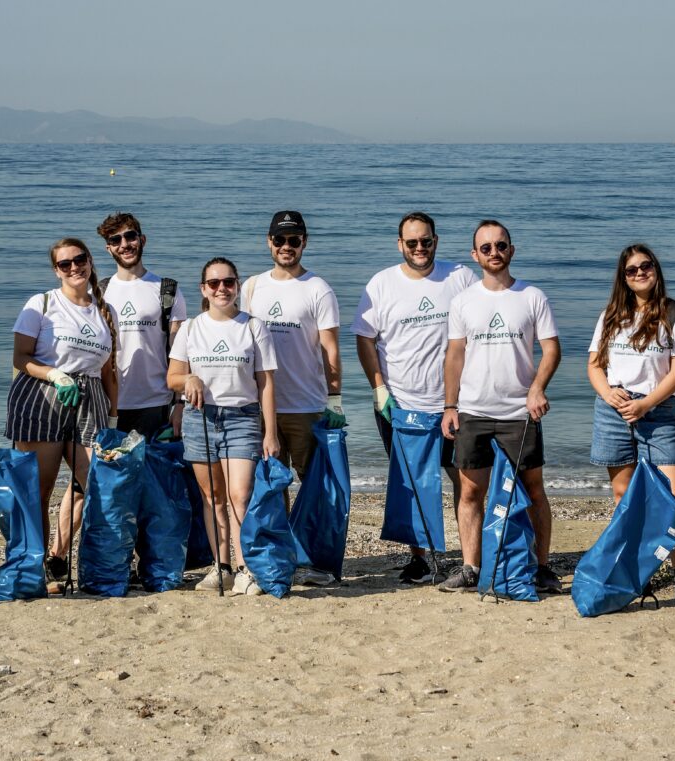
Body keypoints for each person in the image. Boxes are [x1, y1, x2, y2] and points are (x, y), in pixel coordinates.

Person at [353, 211, 477, 583]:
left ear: (436, 241)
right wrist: (378, 387)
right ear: (400, 245)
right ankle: (421, 557)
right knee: (413, 482)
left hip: (455, 404)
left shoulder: (460, 277)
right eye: (412, 243)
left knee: (464, 479)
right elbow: (364, 337)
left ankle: (471, 558)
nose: (419, 248)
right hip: (401, 404)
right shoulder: (381, 284)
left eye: (426, 241)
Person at [441, 220, 562, 593]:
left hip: (519, 414)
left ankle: (541, 566)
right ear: (475, 255)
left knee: (532, 490)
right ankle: (470, 567)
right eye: (486, 248)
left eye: (501, 245)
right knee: (470, 492)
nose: (494, 253)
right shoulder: (463, 300)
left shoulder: (532, 297)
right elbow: (455, 355)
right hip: (474, 411)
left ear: (511, 249)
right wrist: (450, 405)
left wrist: (537, 389)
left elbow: (552, 349)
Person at [587, 244, 675, 606]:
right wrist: (609, 394)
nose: (639, 273)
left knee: (674, 497)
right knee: (625, 498)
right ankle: (639, 575)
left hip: (658, 412)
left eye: (645, 266)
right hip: (614, 412)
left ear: (656, 269)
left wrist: (647, 404)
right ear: (623, 277)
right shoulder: (612, 313)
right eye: (631, 269)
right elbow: (594, 365)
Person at [4, 238, 118, 585]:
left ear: (89, 260)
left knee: (95, 484)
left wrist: (113, 418)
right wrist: (55, 374)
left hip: (91, 396)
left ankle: (66, 555)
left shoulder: (104, 309)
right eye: (65, 264)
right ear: (56, 270)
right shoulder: (41, 303)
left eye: (79, 260)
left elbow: (110, 371)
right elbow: (20, 358)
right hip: (44, 394)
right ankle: (34, 565)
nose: (74, 268)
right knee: (39, 488)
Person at [167, 257, 280, 596]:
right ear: (203, 289)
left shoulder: (253, 326)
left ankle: (248, 568)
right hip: (200, 418)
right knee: (212, 497)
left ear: (237, 286)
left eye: (228, 282)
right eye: (214, 283)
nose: (221, 289)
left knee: (239, 496)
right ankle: (222, 567)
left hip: (242, 417)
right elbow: (171, 377)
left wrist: (270, 432)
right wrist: (189, 379)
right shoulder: (190, 328)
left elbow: (266, 383)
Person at [243, 211, 343, 585]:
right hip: (260, 406)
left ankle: (315, 560)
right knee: (270, 484)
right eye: (280, 240)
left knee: (312, 485)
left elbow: (331, 351)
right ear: (269, 242)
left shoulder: (318, 289)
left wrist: (335, 402)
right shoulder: (252, 287)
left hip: (305, 404)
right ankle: (280, 556)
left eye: (294, 240)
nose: (287, 247)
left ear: (305, 242)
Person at [96, 212, 187, 438]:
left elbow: (181, 352)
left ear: (142, 239)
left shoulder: (168, 289)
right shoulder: (99, 292)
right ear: (109, 248)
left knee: (151, 470)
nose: (124, 244)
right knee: (108, 470)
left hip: (155, 402)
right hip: (107, 401)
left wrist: (181, 403)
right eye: (116, 240)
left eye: (130, 236)